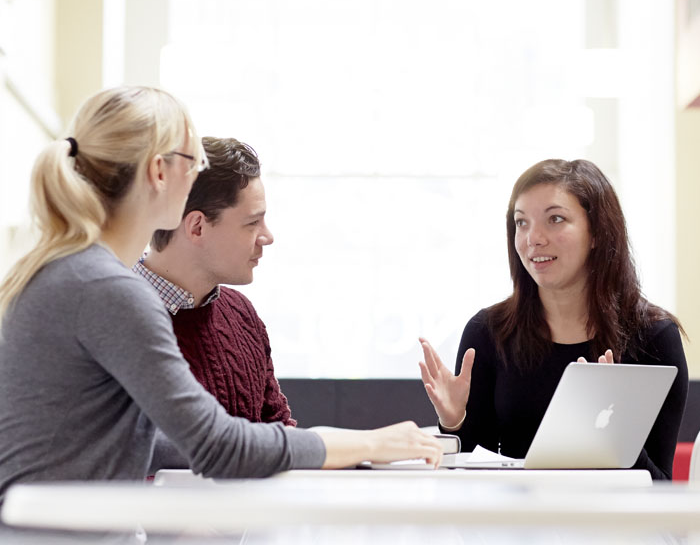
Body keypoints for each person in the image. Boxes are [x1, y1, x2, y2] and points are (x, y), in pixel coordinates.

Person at [0, 86, 442, 502]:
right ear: (159, 171)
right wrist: (371, 442)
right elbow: (219, 448)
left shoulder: (71, 273)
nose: (198, 174)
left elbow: (142, 441)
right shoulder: (106, 289)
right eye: (192, 161)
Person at [419, 158, 688, 480]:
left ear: (597, 233)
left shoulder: (654, 337)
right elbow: (472, 477)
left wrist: (612, 434)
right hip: (515, 524)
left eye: (555, 219)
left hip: (611, 527)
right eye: (521, 223)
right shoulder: (488, 331)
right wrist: (454, 421)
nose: (534, 238)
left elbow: (659, 491)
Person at [134, 136, 294, 427]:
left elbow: (280, 435)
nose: (267, 237)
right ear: (197, 227)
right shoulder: (116, 316)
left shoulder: (241, 314)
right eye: (251, 223)